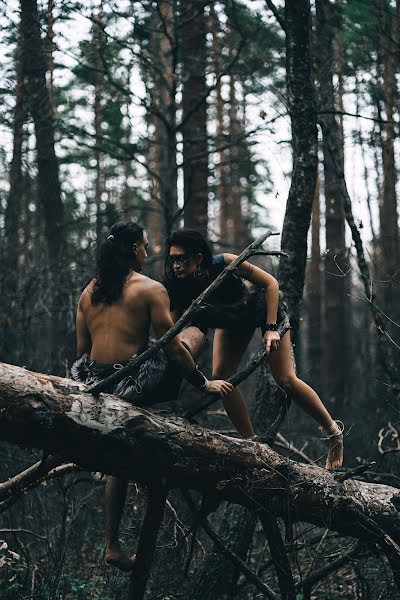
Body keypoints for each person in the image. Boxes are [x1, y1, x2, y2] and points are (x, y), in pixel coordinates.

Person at [71, 221, 233, 571]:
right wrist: (203, 383)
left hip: (95, 386)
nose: (148, 252)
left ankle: (112, 544)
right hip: (136, 384)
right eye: (145, 246)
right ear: (133, 250)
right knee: (191, 332)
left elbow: (82, 351)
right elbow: (172, 349)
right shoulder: (150, 288)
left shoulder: (88, 292)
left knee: (118, 462)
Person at [164, 229, 344, 471]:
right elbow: (172, 333)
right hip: (231, 322)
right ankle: (253, 445)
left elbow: (270, 283)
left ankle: (334, 434)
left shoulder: (224, 263)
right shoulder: (176, 286)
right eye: (172, 259)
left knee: (285, 380)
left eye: (182, 258)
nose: (176, 265)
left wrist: (271, 328)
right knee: (222, 377)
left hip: (261, 309)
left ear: (198, 257)